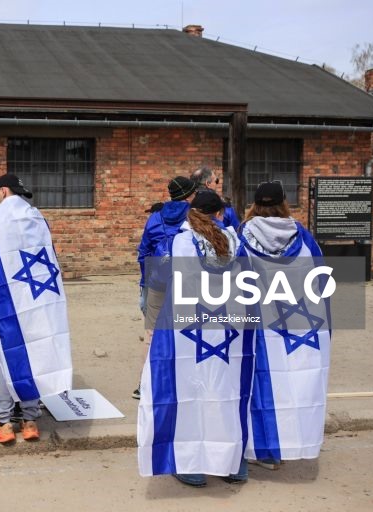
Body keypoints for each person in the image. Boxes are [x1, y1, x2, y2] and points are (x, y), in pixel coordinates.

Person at [137, 190, 250, 487]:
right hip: (230, 328)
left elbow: (169, 279)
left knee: (188, 394)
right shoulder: (237, 242)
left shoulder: (183, 241)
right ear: (219, 213)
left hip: (190, 329)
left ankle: (190, 463)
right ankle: (233, 463)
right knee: (227, 393)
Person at [237, 181, 331, 471]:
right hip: (296, 322)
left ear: (255, 204)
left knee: (257, 385)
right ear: (284, 202)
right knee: (293, 383)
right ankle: (289, 443)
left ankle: (258, 449)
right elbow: (320, 280)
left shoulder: (242, 235)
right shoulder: (302, 236)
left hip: (256, 325)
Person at [0, 174, 73, 444]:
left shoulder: (0, 221)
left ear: (3, 191)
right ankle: (30, 420)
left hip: (11, 299)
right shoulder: (37, 218)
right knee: (36, 354)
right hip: (40, 296)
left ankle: (5, 422)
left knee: (12, 357)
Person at [134, 176, 196, 399]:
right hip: (187, 282)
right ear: (190, 194)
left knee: (151, 333)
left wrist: (145, 283)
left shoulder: (155, 217)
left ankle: (143, 385)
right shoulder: (195, 215)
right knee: (186, 331)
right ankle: (182, 383)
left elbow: (143, 253)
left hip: (157, 281)